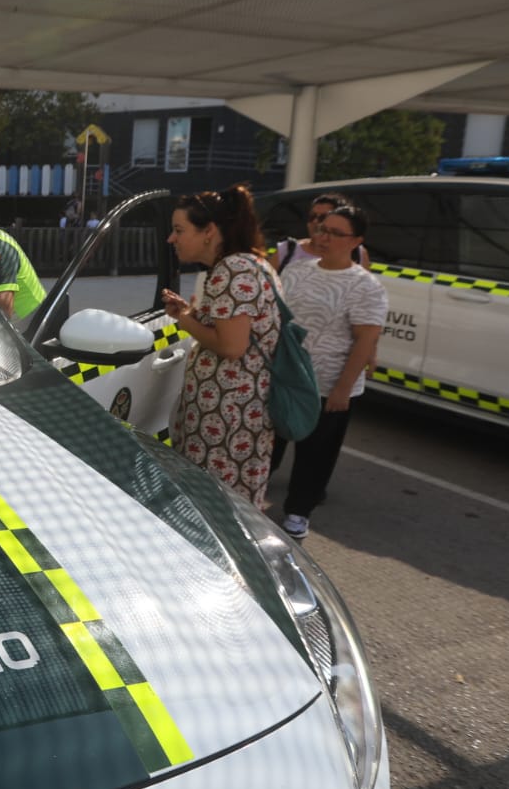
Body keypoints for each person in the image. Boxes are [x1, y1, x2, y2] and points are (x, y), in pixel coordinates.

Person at [269, 203, 387, 539]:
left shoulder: (365, 286)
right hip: (286, 377)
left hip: (328, 383)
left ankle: (298, 512)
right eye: (322, 228)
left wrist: (342, 388)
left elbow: (365, 340)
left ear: (357, 241)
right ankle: (252, 500)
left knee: (316, 454)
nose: (324, 237)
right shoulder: (295, 272)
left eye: (336, 233)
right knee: (271, 442)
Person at [160, 184, 281, 509]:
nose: (172, 239)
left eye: (179, 230)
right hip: (235, 413)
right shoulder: (250, 264)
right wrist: (189, 312)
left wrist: (185, 319)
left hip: (227, 420)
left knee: (220, 508)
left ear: (209, 231)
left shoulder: (232, 271)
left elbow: (231, 346)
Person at [270, 192, 371, 272]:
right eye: (312, 217)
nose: (315, 222)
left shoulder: (358, 254)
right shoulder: (287, 251)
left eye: (323, 217)